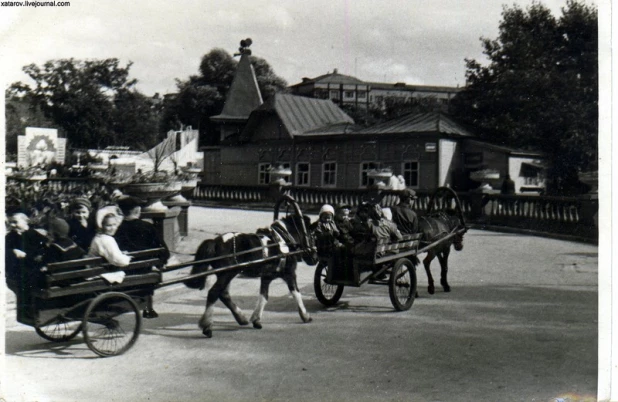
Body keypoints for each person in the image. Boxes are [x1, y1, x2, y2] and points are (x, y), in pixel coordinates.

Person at [114, 196, 170, 318]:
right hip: (143, 269)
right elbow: (163, 250)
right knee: (151, 268)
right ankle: (148, 307)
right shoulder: (147, 226)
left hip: (123, 269)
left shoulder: (116, 229)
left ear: (122, 211)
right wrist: (161, 263)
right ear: (138, 210)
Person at [5, 211, 48, 320]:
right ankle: (27, 311)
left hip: (31, 267)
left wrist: (37, 256)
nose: (12, 225)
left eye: (15, 222)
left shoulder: (34, 234)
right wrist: (13, 251)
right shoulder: (10, 236)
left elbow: (43, 250)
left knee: (30, 279)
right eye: (10, 223)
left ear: (25, 222)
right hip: (18, 268)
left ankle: (31, 310)